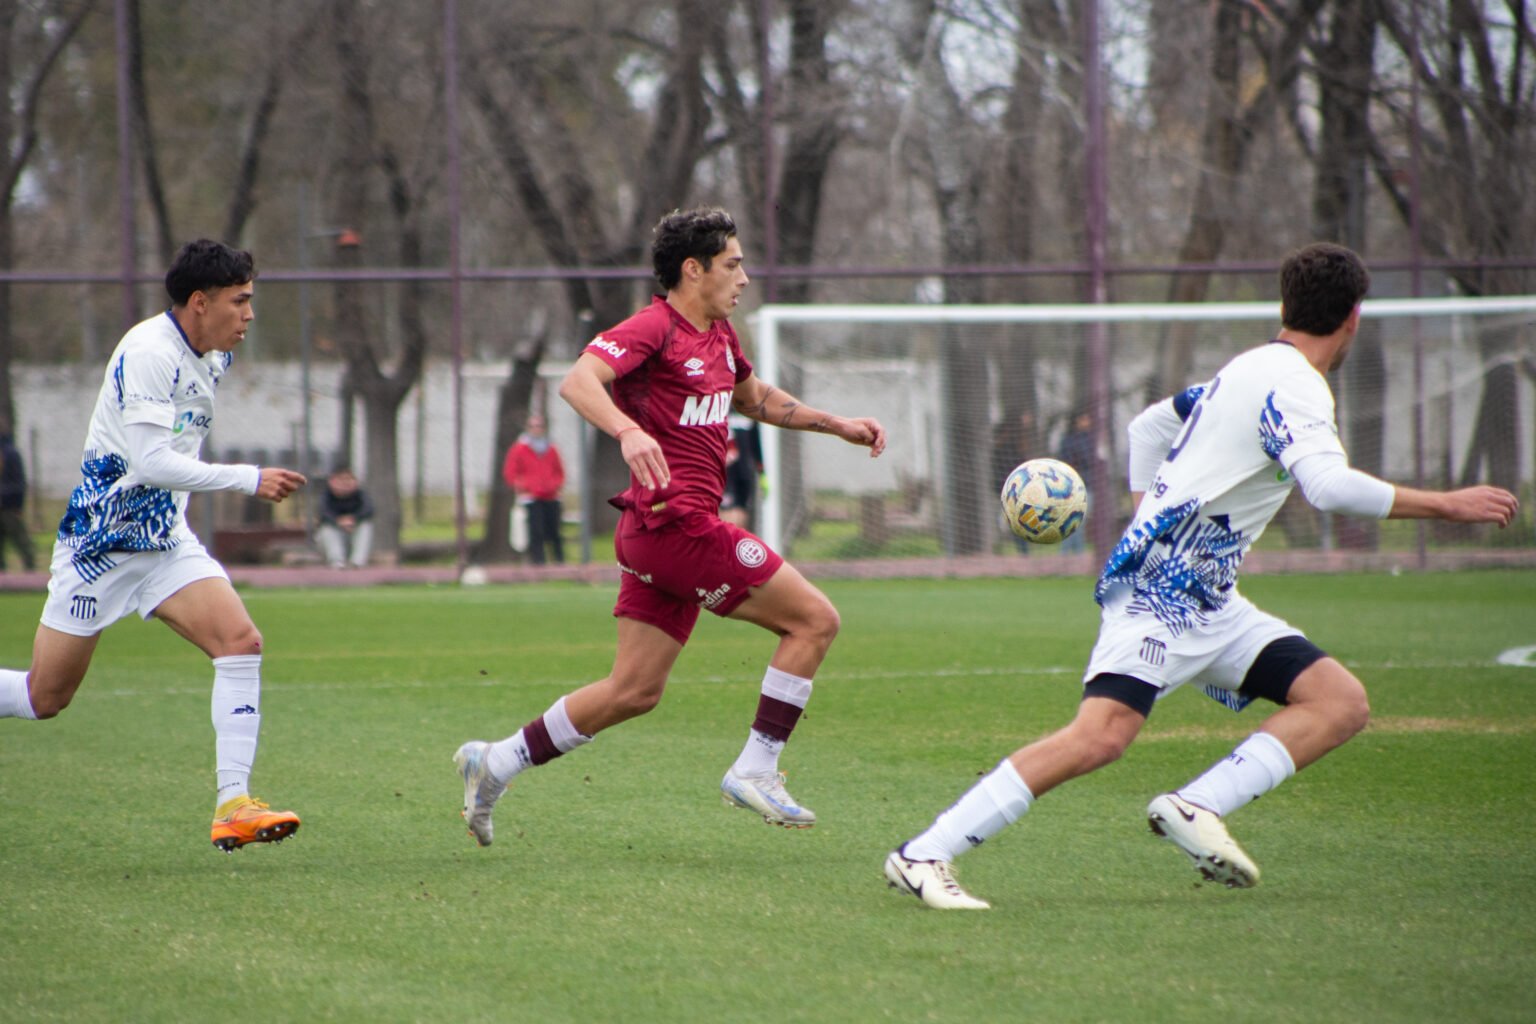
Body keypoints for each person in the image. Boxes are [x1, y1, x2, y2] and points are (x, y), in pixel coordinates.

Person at [883, 242, 1519, 909]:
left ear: (1284, 306)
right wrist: (1447, 504)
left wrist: (1144, 509)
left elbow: (1149, 424)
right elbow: (1328, 487)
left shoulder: (1247, 368)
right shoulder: (1297, 386)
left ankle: (1195, 806)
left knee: (1339, 702)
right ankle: (925, 853)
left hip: (1211, 602)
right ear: (1355, 317)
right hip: (1159, 596)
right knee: (1100, 737)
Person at [453, 206, 886, 845]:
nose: (743, 278)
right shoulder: (655, 327)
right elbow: (579, 382)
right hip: (674, 525)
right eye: (733, 264)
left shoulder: (720, 335)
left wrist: (836, 423)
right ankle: (757, 768)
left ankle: (496, 762)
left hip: (659, 533)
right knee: (815, 620)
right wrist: (627, 431)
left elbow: (753, 398)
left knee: (633, 690)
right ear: (694, 269)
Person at [0, 240, 308, 852]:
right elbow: (151, 461)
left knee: (240, 642)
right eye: (239, 301)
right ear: (200, 302)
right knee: (45, 697)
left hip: (165, 542)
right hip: (101, 545)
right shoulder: (148, 352)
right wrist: (247, 478)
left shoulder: (210, 354)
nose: (249, 314)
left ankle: (233, 805)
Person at [501, 413, 565, 565]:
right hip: (531, 497)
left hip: (551, 495)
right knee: (536, 531)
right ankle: (538, 562)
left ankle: (560, 562)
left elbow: (559, 471)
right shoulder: (519, 449)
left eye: (540, 426)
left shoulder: (551, 448)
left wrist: (554, 485)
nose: (537, 429)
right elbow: (511, 472)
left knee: (554, 530)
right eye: (533, 426)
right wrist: (523, 486)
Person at [316, 465, 375, 569]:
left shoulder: (361, 495)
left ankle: (357, 563)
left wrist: (353, 519)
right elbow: (323, 513)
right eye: (341, 480)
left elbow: (369, 510)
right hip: (331, 541)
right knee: (327, 528)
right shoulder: (326, 496)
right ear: (332, 481)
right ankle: (337, 562)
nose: (345, 483)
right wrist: (339, 521)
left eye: (349, 479)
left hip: (352, 536)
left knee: (365, 526)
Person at [1055, 409, 1095, 554]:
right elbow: (1069, 459)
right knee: (1071, 520)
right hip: (1072, 486)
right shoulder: (1069, 440)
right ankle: (1068, 554)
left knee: (1080, 521)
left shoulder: (1092, 439)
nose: (1087, 422)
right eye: (1084, 419)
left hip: (1088, 484)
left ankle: (1077, 553)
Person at [0, 424, 37, 572]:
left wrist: (17, 505)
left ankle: (31, 574)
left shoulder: (11, 454)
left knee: (22, 543)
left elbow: (19, 483)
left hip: (9, 508)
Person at [719, 412, 762, 529]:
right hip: (727, 473)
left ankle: (737, 544)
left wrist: (762, 472)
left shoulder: (751, 412)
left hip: (745, 472)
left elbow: (756, 444)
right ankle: (726, 544)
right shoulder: (722, 409)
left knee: (742, 508)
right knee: (726, 511)